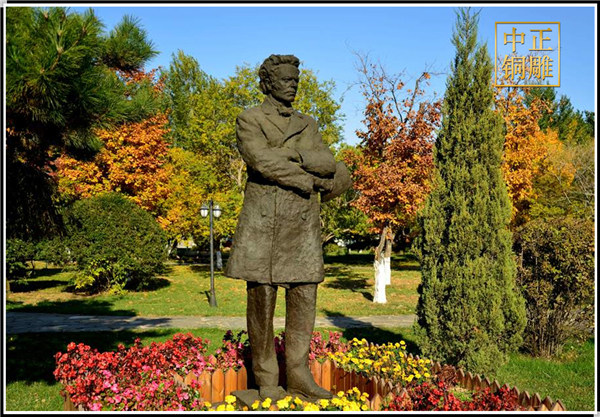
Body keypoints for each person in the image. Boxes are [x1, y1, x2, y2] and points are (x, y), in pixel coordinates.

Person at [224, 54, 351, 401]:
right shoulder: (250, 118)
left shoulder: (308, 124)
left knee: (304, 296)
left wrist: (296, 156)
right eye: (285, 80)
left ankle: (298, 375)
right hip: (264, 223)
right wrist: (310, 181)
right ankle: (266, 378)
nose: (292, 85)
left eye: (295, 80)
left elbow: (327, 161)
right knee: (262, 301)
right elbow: (262, 161)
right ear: (267, 83)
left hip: (301, 225)